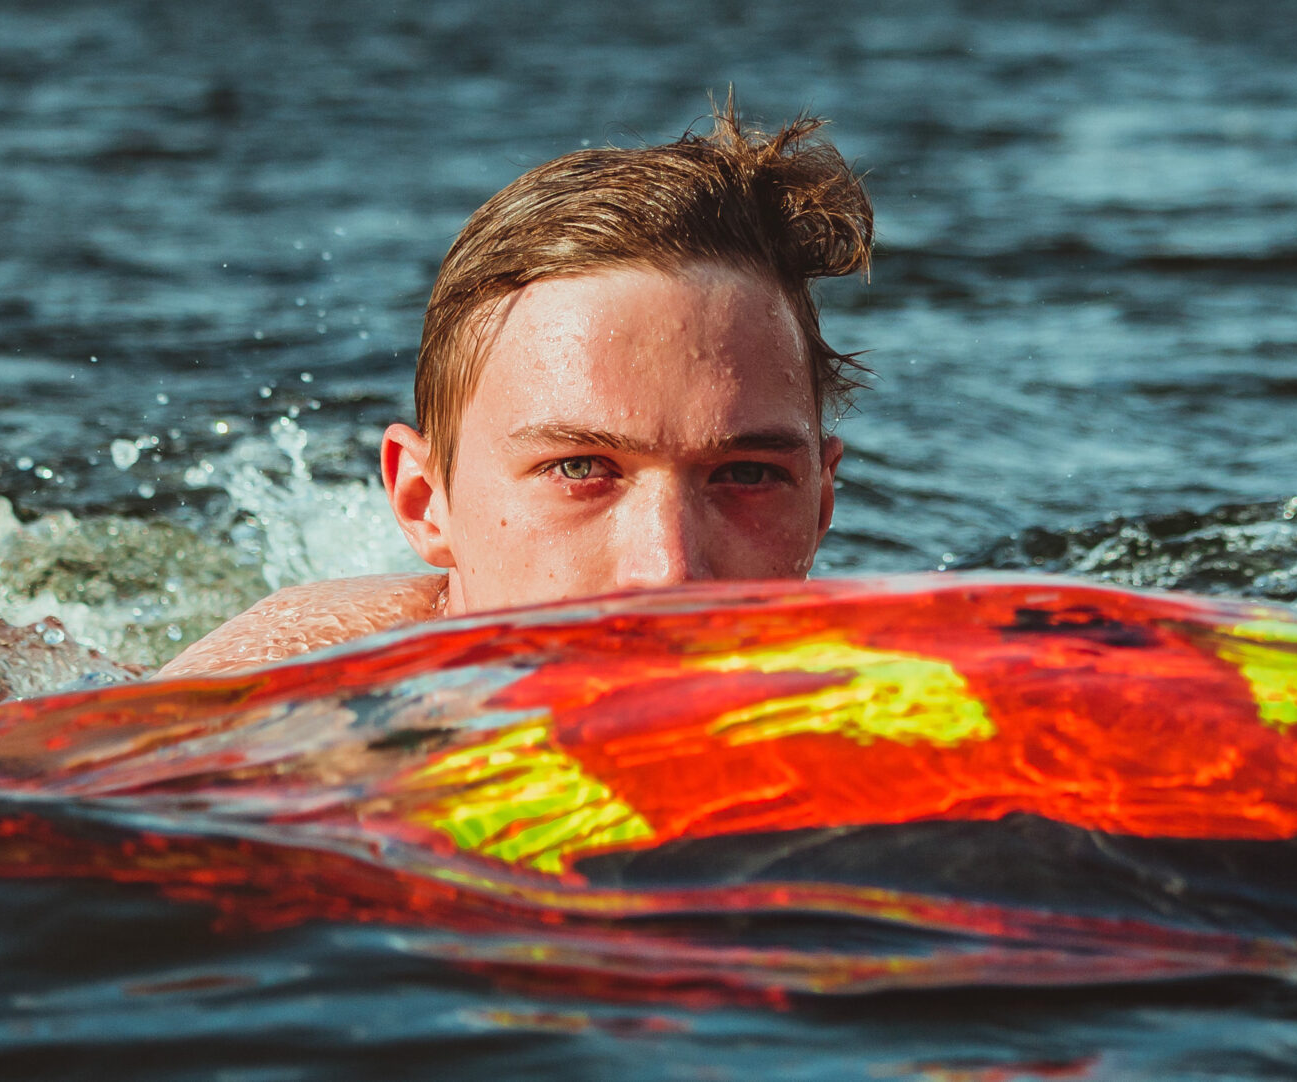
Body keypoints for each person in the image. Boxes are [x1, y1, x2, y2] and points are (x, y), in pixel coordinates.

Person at [158, 108, 872, 678]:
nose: (669, 572)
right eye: (579, 467)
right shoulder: (276, 699)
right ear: (423, 501)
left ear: (821, 503)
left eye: (748, 475)